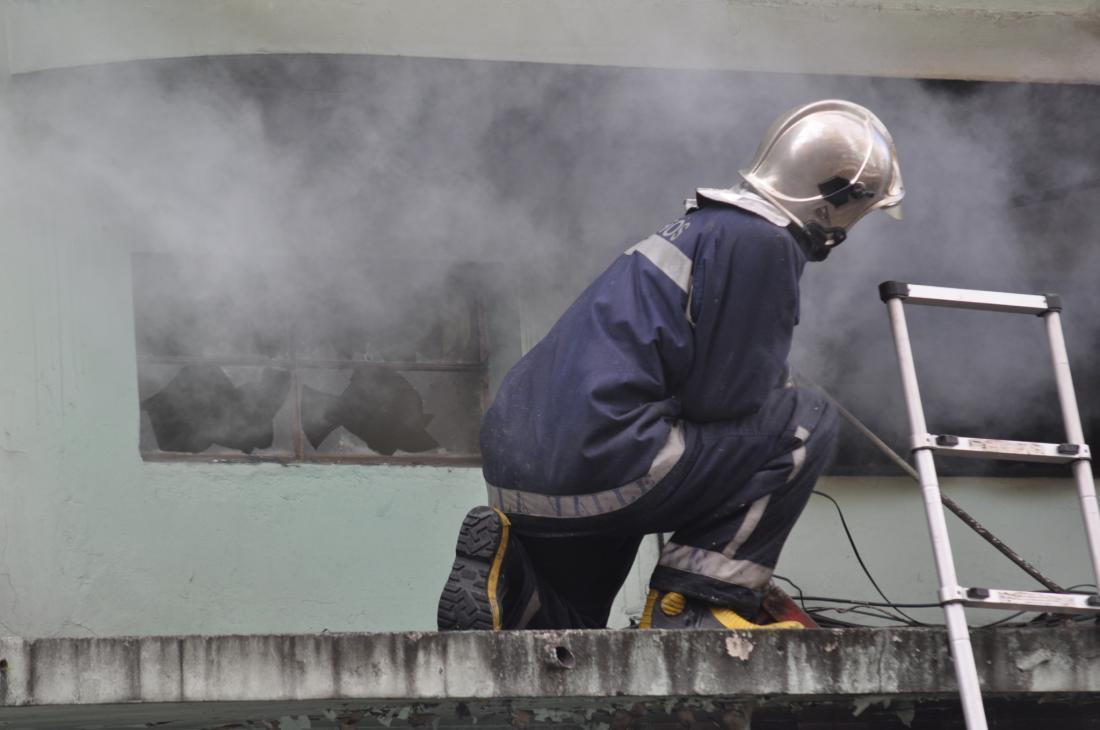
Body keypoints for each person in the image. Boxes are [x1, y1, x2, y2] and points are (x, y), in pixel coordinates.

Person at [437, 99, 904, 631]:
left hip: (523, 471)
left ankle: (521, 593)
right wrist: (778, 385)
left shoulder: (697, 230)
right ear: (837, 201)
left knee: (580, 607)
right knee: (806, 417)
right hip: (603, 458)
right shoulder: (762, 241)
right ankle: (703, 602)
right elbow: (725, 399)